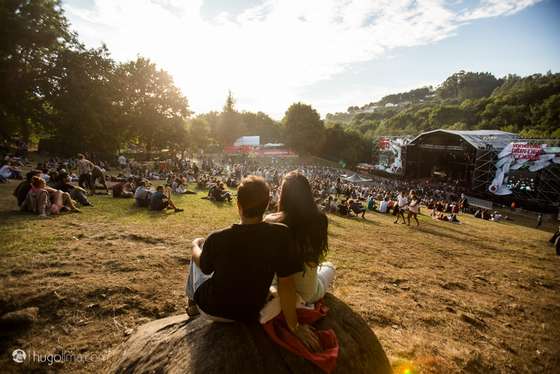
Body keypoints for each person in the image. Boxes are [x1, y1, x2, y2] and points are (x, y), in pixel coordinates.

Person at [185, 175, 320, 351]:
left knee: (198, 258)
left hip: (213, 309)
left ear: (238, 205)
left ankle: (192, 304)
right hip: (251, 311)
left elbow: (204, 266)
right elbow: (286, 284)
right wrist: (294, 327)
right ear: (266, 204)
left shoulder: (217, 238)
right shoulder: (281, 235)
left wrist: (195, 245)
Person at [265, 171, 335, 304]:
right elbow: (317, 256)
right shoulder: (319, 220)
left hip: (275, 283)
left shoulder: (271, 220)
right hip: (305, 292)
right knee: (329, 266)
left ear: (283, 194)